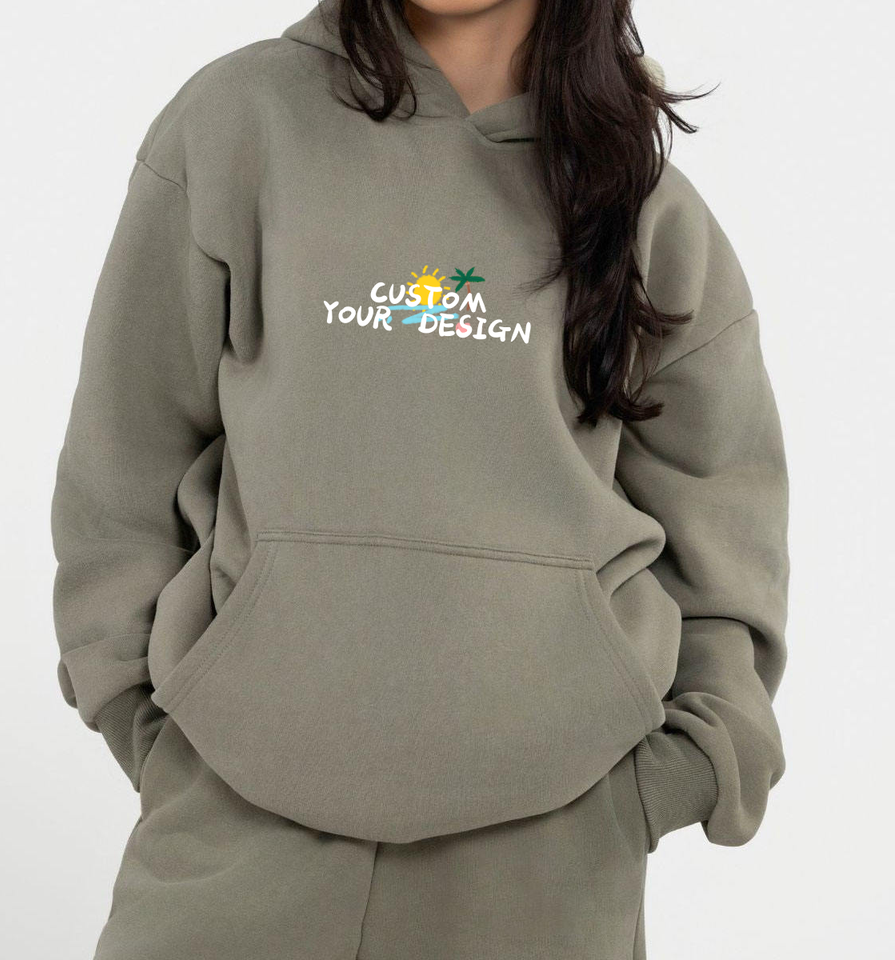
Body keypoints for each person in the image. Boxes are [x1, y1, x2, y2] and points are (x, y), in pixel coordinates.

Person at [51, 1, 789, 957]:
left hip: (544, 866)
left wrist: (664, 782)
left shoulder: (642, 205)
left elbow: (725, 535)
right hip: (230, 833)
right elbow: (124, 457)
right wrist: (154, 728)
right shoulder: (239, 123)